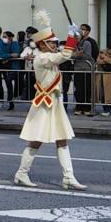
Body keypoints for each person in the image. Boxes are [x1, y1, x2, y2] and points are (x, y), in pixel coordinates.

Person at [13, 11, 87, 190]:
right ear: (43, 44)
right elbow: (65, 55)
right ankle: (21, 173)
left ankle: (68, 177)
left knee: (62, 139)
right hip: (44, 105)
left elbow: (67, 52)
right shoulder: (42, 58)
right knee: (36, 140)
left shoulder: (48, 56)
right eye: (52, 42)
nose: (55, 44)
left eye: (55, 42)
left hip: (55, 103)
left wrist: (75, 37)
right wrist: (70, 35)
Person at [72, 23, 98, 116]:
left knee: (87, 89)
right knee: (78, 89)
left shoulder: (87, 43)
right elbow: (69, 55)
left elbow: (88, 55)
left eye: (78, 35)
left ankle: (87, 108)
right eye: (75, 36)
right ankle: (79, 107)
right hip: (77, 69)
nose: (77, 37)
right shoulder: (72, 44)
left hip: (87, 69)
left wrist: (79, 55)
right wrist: (76, 55)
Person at [94, 42, 111, 117]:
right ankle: (104, 108)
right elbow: (98, 61)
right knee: (102, 92)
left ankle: (108, 110)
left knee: (109, 93)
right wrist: (107, 60)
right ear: (108, 48)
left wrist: (104, 58)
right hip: (101, 75)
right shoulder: (102, 51)